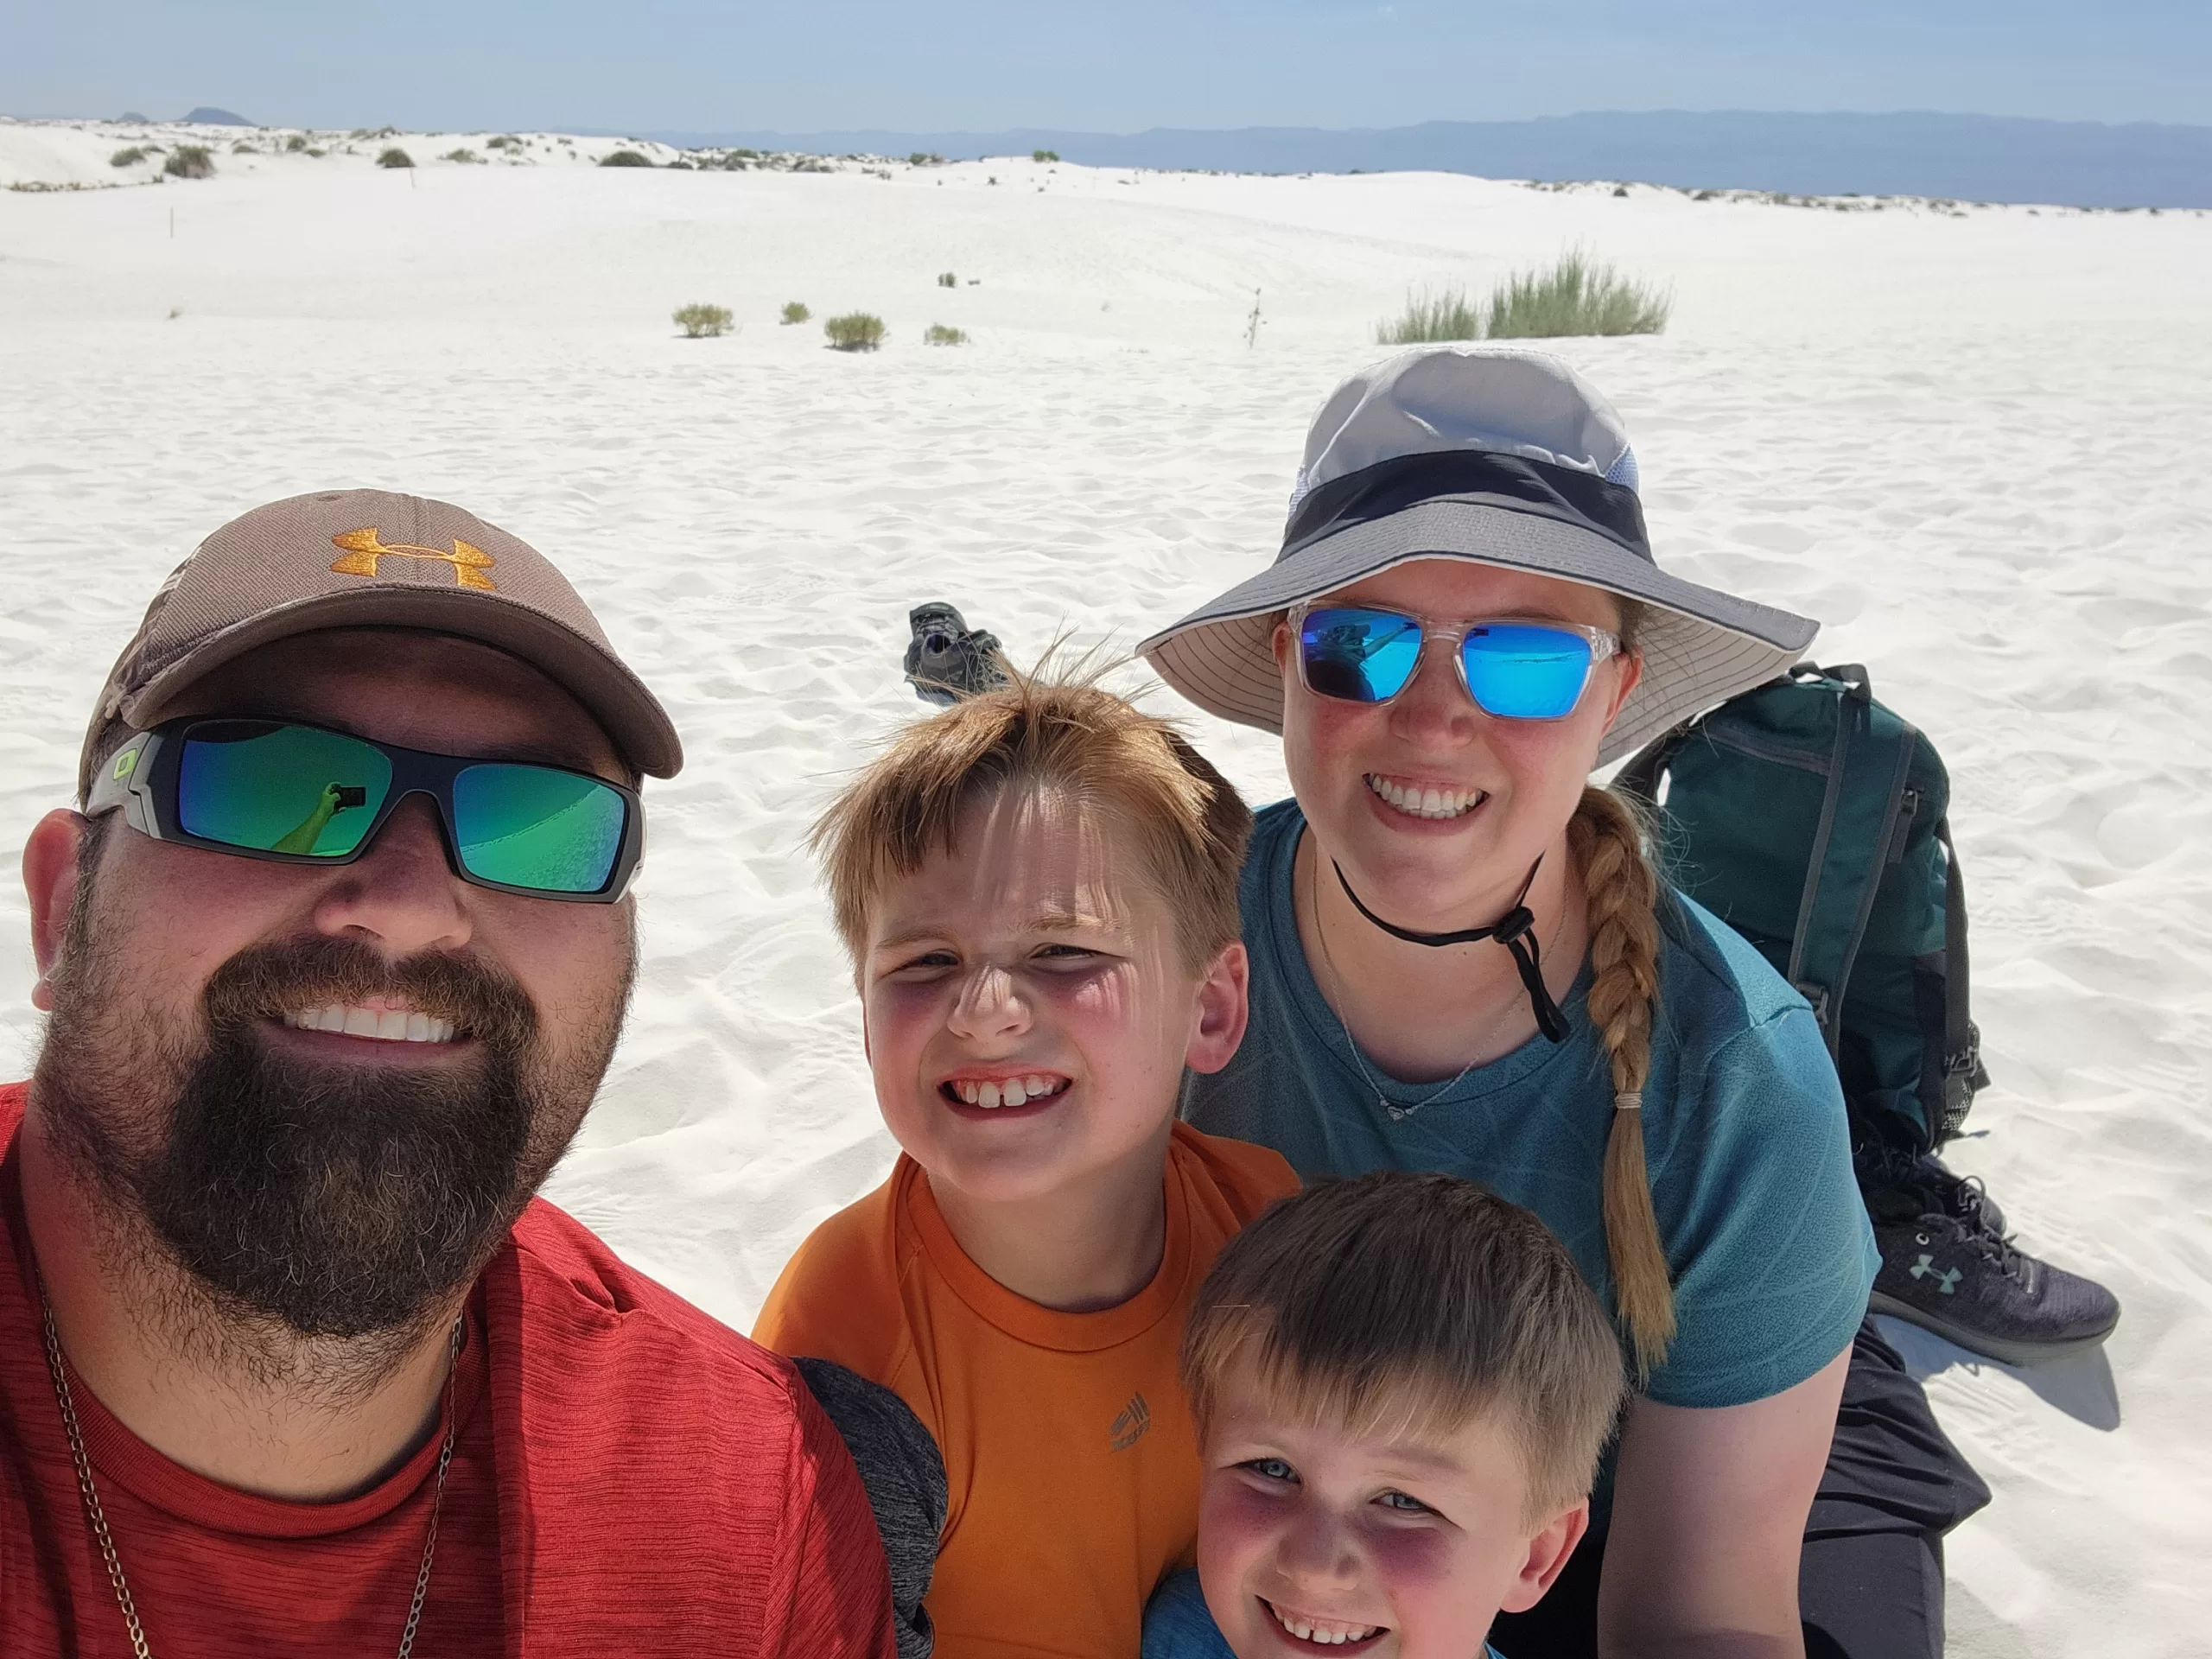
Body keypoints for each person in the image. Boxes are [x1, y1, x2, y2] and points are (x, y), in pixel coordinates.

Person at [1140, 347, 1989, 1659]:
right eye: (1358, 644)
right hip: (1340, 1497)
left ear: (1615, 696)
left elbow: (1697, 1611)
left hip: (1705, 1434)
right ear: (1286, 663)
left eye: (1525, 660)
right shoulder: (1156, 945)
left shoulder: (1737, 1080)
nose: (1432, 717)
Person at [4, 490, 897, 1655]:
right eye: (269, 788)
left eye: (543, 823)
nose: (417, 907)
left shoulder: (747, 1509)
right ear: (65, 907)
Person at [754, 674, 1301, 1658]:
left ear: (1209, 1009)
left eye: (1060, 949)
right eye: (923, 964)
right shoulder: (845, 1355)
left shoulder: (1264, 1227)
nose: (984, 1008)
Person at [1145, 1171, 1625, 1659]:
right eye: (1273, 1469)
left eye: (1402, 1501)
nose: (1314, 1566)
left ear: (1535, 1557)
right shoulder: (1179, 1639)